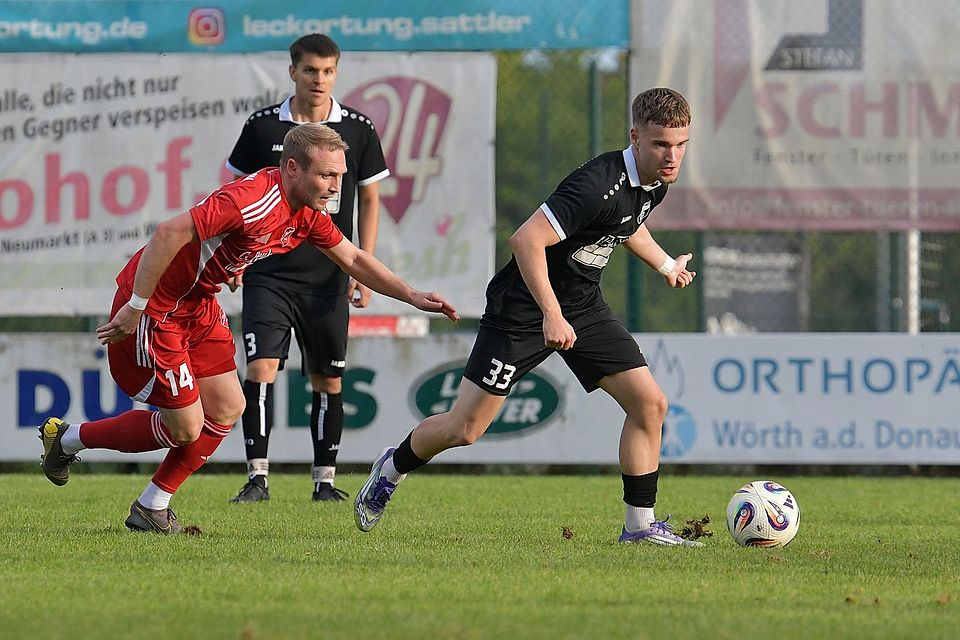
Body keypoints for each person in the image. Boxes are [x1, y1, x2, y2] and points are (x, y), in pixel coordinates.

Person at [38, 123, 458, 534]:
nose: (336, 186)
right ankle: (69, 439)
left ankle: (152, 506)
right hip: (158, 310)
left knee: (227, 408)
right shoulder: (252, 198)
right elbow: (167, 233)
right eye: (327, 175)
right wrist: (136, 306)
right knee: (184, 428)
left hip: (198, 305)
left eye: (341, 176)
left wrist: (412, 295)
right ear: (292, 168)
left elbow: (353, 259)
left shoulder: (307, 213)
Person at [355, 88, 701, 546]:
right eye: (661, 144)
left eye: (680, 144)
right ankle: (392, 466)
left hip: (583, 306)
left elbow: (627, 224)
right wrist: (550, 314)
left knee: (650, 404)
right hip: (521, 310)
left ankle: (638, 528)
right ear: (635, 136)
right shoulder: (598, 182)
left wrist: (665, 266)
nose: (671, 155)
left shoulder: (656, 180)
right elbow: (525, 240)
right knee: (465, 429)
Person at [224, 34, 389, 504]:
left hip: (329, 274)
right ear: (292, 71)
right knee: (261, 367)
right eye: (311, 70)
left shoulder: (357, 129)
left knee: (328, 378)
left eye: (328, 71)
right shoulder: (261, 127)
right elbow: (236, 194)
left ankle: (325, 482)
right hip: (268, 269)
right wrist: (234, 258)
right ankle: (257, 478)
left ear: (336, 73)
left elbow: (372, 196)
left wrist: (364, 266)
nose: (319, 80)